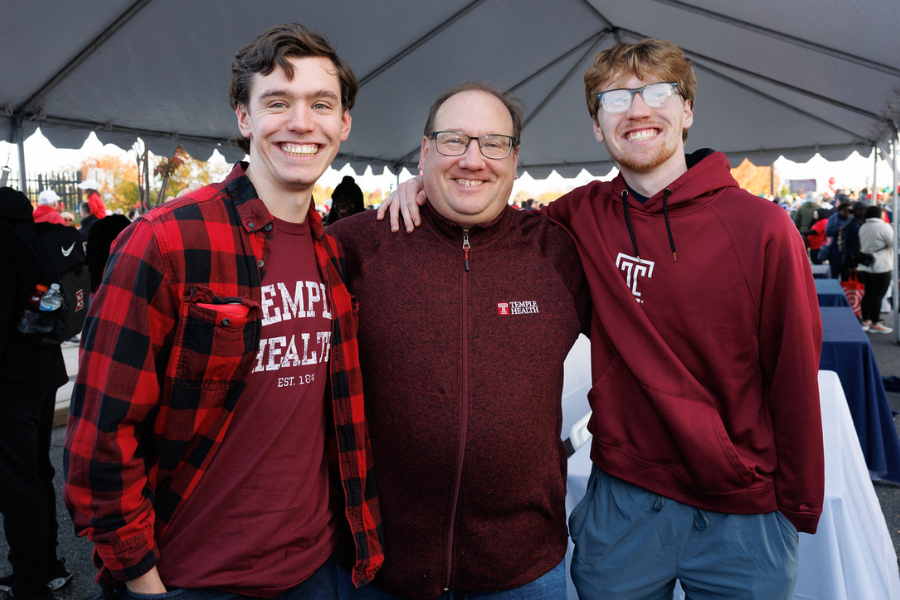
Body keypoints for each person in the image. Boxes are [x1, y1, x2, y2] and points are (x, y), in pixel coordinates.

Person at [383, 38, 823, 600]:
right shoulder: (578, 216)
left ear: (687, 109)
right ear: (597, 125)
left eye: (657, 92)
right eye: (616, 99)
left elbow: (794, 377)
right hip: (624, 502)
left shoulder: (762, 228)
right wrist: (423, 184)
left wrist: (796, 508)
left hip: (740, 513)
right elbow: (488, 208)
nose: (638, 110)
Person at [63, 22, 383, 599]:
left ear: (343, 124)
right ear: (243, 118)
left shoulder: (333, 252)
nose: (301, 123)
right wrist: (142, 578)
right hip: (195, 580)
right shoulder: (166, 242)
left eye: (321, 104)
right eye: (277, 102)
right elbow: (100, 438)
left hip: (320, 570)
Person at [328, 82, 590, 600]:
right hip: (378, 568)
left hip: (524, 569)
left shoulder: (557, 252)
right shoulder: (355, 245)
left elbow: (643, 346)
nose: (474, 160)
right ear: (424, 151)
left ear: (515, 159)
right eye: (453, 141)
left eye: (494, 143)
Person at [0, 187, 73, 600]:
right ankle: (48, 566)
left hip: (10, 385)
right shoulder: (34, 237)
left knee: (17, 483)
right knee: (37, 474)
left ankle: (30, 583)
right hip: (45, 375)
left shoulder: (3, 242)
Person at [858, 204, 894, 334]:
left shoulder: (863, 226)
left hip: (865, 266)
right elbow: (893, 243)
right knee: (878, 295)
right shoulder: (884, 227)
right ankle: (875, 322)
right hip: (881, 265)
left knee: (868, 294)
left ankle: (866, 320)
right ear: (879, 214)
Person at [825, 200, 853, 279]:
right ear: (841, 210)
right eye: (845, 211)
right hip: (835, 248)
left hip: (847, 249)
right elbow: (828, 231)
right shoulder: (834, 218)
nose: (848, 213)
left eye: (850, 211)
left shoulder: (851, 218)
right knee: (835, 271)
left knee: (845, 273)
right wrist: (840, 229)